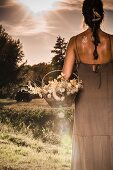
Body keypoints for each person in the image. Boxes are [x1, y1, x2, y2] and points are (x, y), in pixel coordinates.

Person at [63, 0, 113, 169]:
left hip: (85, 108)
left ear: (83, 16)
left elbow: (65, 78)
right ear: (102, 15)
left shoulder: (74, 42)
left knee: (85, 146)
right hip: (109, 108)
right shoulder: (112, 42)